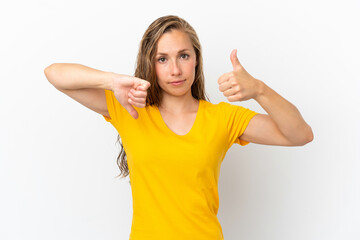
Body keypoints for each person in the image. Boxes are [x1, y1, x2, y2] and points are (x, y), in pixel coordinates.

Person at [44, 15, 313, 240]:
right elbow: (55, 74)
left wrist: (259, 90)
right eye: (162, 59)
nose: (175, 70)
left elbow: (300, 134)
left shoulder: (223, 118)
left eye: (183, 56)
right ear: (150, 63)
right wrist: (113, 81)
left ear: (196, 59)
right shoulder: (130, 108)